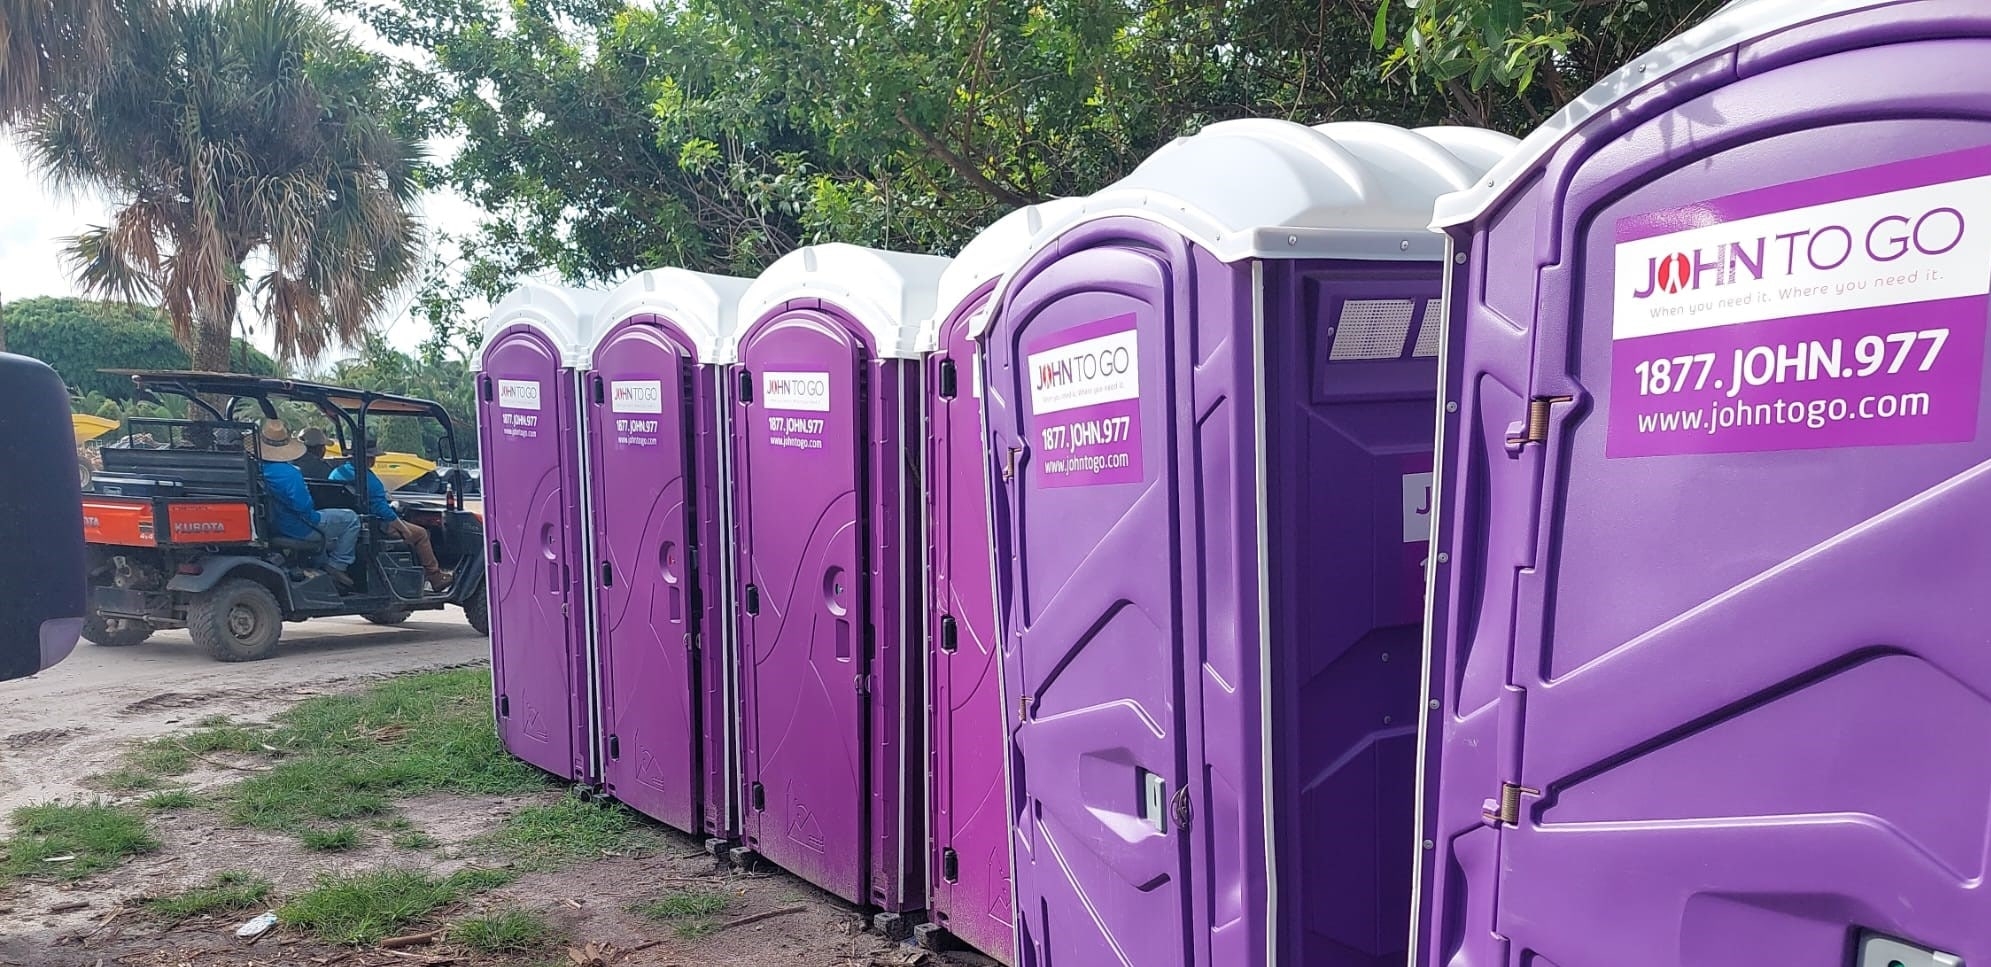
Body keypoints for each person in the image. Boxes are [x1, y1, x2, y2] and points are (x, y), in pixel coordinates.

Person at [332, 441, 453, 592]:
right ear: (367, 458)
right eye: (372, 457)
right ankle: (435, 576)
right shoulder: (368, 479)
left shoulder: (337, 473)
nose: (374, 460)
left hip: (351, 520)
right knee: (421, 534)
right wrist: (403, 528)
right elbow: (382, 510)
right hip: (376, 524)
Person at [257, 420, 360, 589]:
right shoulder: (289, 474)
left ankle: (322, 566)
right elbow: (304, 507)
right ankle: (337, 566)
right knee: (351, 519)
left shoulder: (259, 468)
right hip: (298, 527)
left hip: (274, 523)